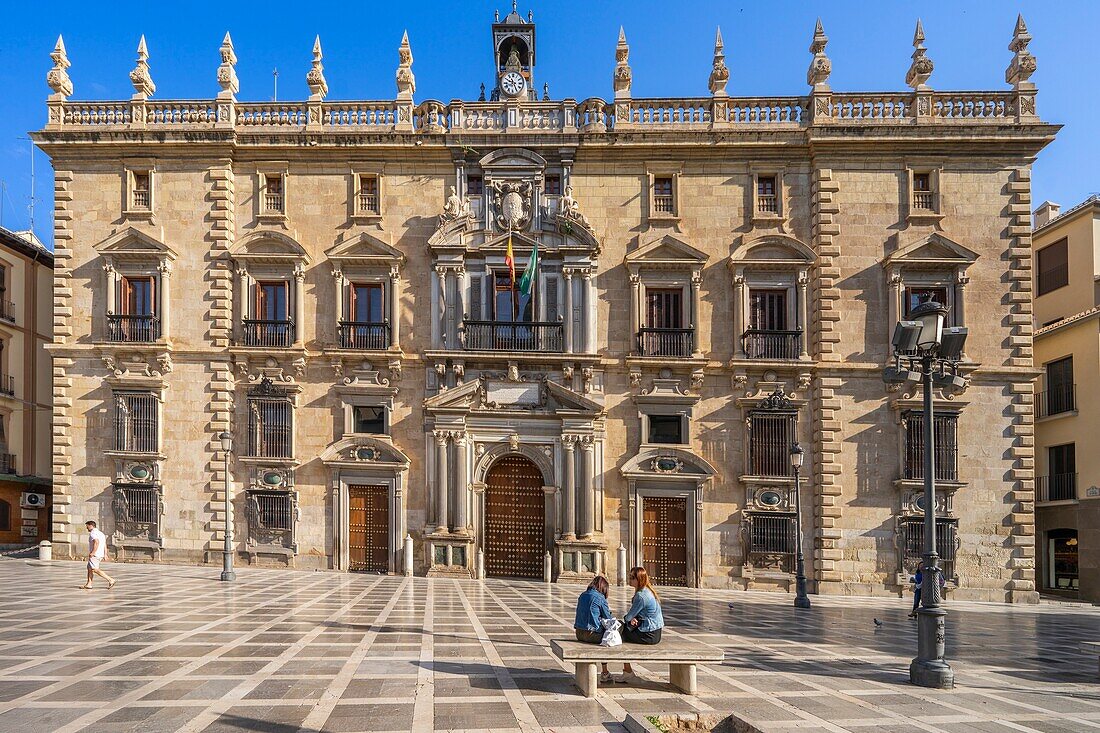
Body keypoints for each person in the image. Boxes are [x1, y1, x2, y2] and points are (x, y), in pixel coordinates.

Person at [619, 566, 665, 680]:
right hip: (655, 632)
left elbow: (628, 617)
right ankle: (627, 670)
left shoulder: (641, 596)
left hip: (649, 635)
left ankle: (627, 671)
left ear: (639, 579)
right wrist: (635, 618)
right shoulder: (648, 591)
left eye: (632, 577)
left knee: (619, 633)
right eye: (630, 576)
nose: (630, 579)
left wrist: (629, 618)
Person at [573, 575, 617, 683]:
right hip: (591, 634)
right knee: (611, 635)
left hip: (579, 633)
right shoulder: (600, 598)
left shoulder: (582, 595)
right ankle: (605, 672)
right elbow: (608, 617)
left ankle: (605, 672)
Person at [82, 520, 115, 590]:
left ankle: (110, 579)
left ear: (91, 526)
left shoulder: (93, 533)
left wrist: (93, 552)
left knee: (94, 569)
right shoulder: (101, 533)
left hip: (95, 554)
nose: (86, 528)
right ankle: (89, 584)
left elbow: (96, 542)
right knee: (89, 568)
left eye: (87, 526)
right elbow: (104, 544)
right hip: (100, 554)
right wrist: (105, 554)